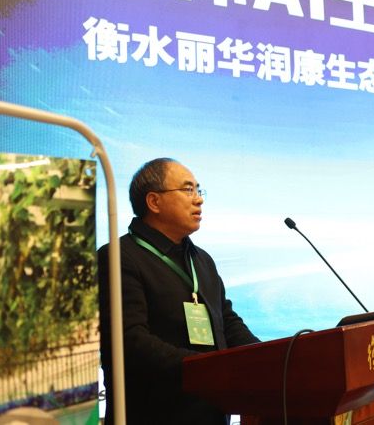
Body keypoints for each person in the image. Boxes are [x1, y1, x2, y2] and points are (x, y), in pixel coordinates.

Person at [99, 158, 259, 424]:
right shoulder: (118, 257)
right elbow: (130, 340)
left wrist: (269, 359)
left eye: (198, 190)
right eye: (187, 190)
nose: (199, 199)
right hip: (153, 415)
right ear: (154, 202)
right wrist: (205, 369)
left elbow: (227, 323)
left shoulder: (202, 260)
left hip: (211, 413)